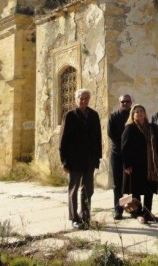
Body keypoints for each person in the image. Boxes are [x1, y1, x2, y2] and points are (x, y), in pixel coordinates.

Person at [59, 88, 102, 230]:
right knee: (74, 189)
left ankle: (85, 216)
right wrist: (64, 161)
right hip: (74, 160)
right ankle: (74, 218)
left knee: (88, 190)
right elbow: (63, 140)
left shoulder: (94, 115)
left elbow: (97, 138)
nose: (83, 101)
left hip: (89, 160)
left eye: (85, 98)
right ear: (76, 99)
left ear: (89, 99)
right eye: (80, 98)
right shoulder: (70, 115)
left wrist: (97, 158)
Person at [121, 104, 158, 224]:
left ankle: (147, 213)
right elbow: (124, 147)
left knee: (149, 190)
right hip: (136, 165)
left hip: (150, 165)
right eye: (136, 112)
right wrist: (127, 165)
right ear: (133, 115)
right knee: (136, 190)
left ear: (145, 113)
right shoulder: (130, 128)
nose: (139, 113)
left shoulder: (151, 127)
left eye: (141, 111)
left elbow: (157, 143)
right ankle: (137, 214)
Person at [107, 94, 132, 220]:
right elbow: (111, 135)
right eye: (123, 102)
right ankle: (118, 209)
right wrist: (123, 147)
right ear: (119, 103)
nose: (125, 104)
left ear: (131, 103)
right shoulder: (113, 117)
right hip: (117, 154)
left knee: (128, 184)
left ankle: (130, 207)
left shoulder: (133, 116)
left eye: (127, 102)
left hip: (131, 155)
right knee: (118, 184)